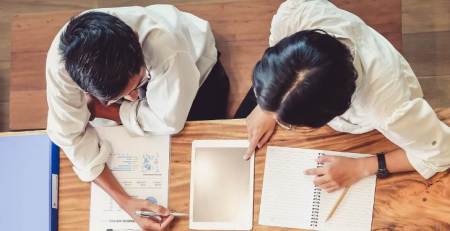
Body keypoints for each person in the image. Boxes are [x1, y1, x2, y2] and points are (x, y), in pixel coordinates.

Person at [46, 5, 229, 230]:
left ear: (135, 38)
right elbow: (68, 137)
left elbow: (169, 120)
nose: (133, 98)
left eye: (137, 85)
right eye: (121, 97)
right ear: (82, 87)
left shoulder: (166, 48)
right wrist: (125, 202)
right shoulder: (61, 68)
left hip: (197, 69)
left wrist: (108, 111)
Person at [238, 0, 450, 193]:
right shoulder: (296, 15)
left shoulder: (389, 109)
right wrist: (269, 103)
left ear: (334, 111)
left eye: (287, 121)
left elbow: (442, 154)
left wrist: (361, 167)